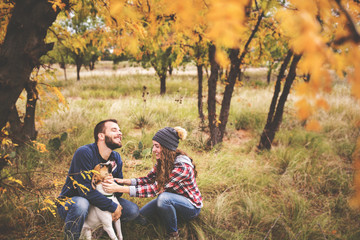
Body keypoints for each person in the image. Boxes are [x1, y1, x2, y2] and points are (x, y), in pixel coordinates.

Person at [102, 126, 203, 239]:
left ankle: (173, 234)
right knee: (139, 216)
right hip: (171, 199)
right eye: (153, 145)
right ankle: (159, 223)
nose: (153, 150)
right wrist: (124, 181)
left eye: (157, 146)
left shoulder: (182, 167)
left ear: (166, 148)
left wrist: (118, 189)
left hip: (190, 207)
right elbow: (148, 179)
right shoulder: (163, 160)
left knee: (163, 198)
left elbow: (155, 189)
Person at [56, 119, 139, 240]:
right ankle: (72, 236)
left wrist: (113, 184)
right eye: (114, 130)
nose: (120, 133)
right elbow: (84, 190)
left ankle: (101, 230)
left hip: (97, 204)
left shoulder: (116, 157)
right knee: (81, 205)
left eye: (120, 130)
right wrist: (112, 207)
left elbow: (118, 193)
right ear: (101, 136)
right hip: (73, 202)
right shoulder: (85, 153)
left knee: (132, 210)